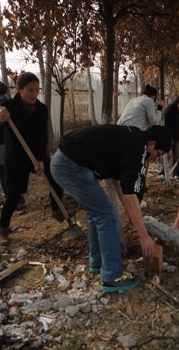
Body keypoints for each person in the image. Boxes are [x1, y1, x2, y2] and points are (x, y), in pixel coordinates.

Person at [50, 124, 172, 293]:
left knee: (98, 212)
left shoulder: (133, 139)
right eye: (158, 154)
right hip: (71, 166)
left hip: (66, 162)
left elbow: (120, 183)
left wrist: (132, 213)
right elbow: (130, 195)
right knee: (107, 214)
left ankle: (98, 262)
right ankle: (111, 277)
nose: (155, 158)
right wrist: (143, 236)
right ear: (152, 144)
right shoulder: (137, 148)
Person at [0, 72, 64, 244]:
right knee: (13, 196)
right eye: (30, 90)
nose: (34, 94)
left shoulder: (42, 109)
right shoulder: (7, 107)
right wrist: (0, 120)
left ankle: (57, 210)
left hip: (35, 154)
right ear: (19, 89)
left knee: (55, 177)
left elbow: (42, 136)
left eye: (37, 90)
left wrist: (41, 160)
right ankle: (3, 229)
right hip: (15, 157)